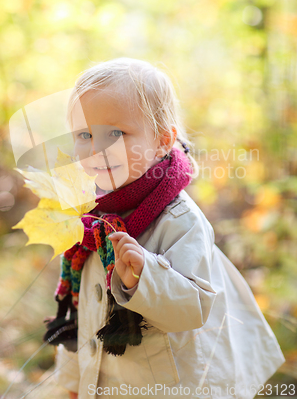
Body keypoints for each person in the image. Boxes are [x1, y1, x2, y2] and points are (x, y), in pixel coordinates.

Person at [48, 58, 284, 399]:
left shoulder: (179, 219)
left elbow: (195, 306)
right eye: (84, 134)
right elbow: (82, 307)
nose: (97, 148)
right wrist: (73, 381)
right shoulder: (90, 220)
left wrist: (145, 277)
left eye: (115, 133)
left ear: (161, 140)